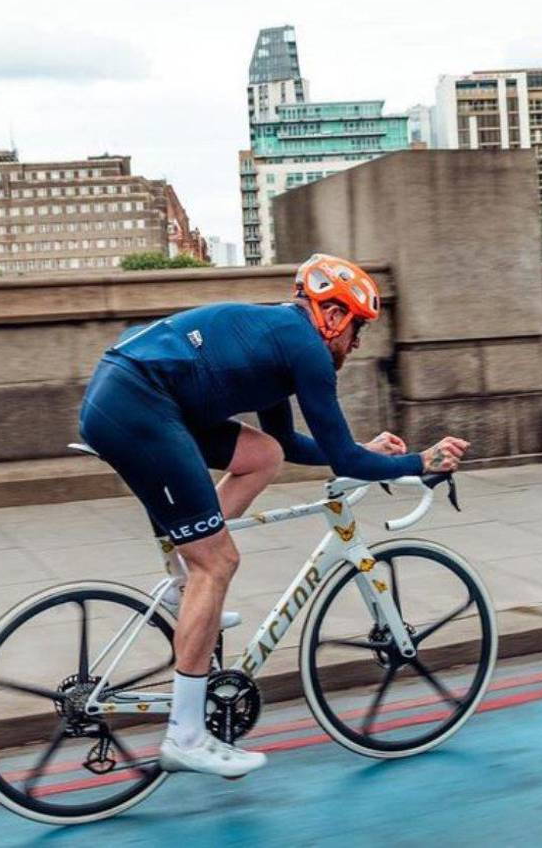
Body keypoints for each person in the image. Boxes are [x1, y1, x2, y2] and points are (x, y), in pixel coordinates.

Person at [78, 253, 469, 779]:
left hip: (132, 392)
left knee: (262, 455)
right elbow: (348, 462)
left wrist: (361, 449)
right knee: (216, 563)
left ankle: (183, 588)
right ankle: (187, 736)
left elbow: (291, 443)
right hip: (139, 402)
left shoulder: (282, 339)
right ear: (331, 317)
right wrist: (418, 462)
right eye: (356, 329)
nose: (356, 345)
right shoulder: (306, 347)